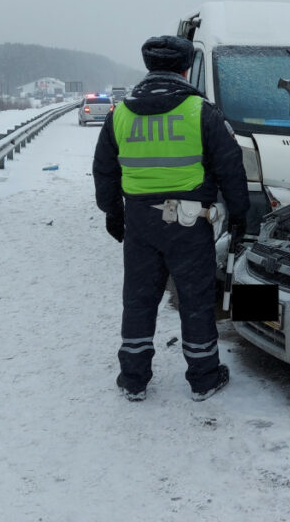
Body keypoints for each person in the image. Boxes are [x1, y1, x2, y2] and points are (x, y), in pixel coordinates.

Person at [93, 35, 249, 402]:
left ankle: (133, 379)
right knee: (195, 299)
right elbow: (231, 169)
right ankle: (203, 378)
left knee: (139, 299)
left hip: (140, 222)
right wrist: (241, 217)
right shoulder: (201, 111)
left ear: (149, 67)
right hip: (189, 223)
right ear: (185, 68)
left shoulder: (121, 114)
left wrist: (114, 214)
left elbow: (104, 171)